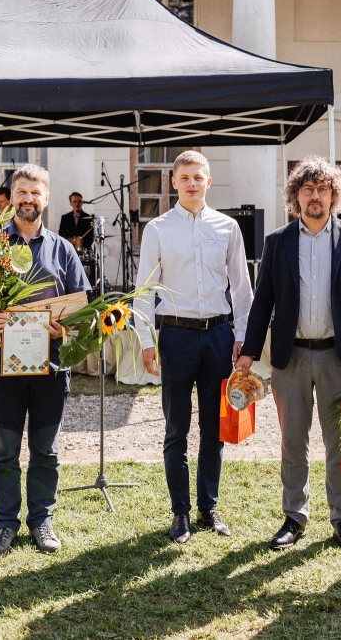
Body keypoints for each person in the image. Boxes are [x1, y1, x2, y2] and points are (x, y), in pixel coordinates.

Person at [236, 155, 341, 554]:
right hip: (292, 357)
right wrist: (249, 354)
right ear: (295, 197)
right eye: (307, 189)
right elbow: (262, 302)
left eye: (322, 189)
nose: (315, 196)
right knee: (293, 442)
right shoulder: (278, 242)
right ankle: (294, 517)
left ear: (334, 195)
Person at [0, 164, 90, 556]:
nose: (28, 199)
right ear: (11, 196)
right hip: (3, 366)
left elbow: (80, 306)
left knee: (45, 450)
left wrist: (64, 329)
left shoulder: (63, 249)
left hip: (51, 365)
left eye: (36, 193)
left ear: (46, 198)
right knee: (4, 450)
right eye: (22, 192)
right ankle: (4, 525)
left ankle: (41, 520)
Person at [134, 150, 253, 544]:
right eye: (184, 177)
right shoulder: (158, 229)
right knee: (176, 428)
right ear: (173, 182)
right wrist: (146, 340)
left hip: (218, 336)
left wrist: (242, 337)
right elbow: (144, 290)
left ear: (208, 181)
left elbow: (241, 288)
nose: (191, 183)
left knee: (214, 428)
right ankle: (180, 513)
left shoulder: (228, 227)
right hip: (176, 336)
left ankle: (209, 506)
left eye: (198, 177)